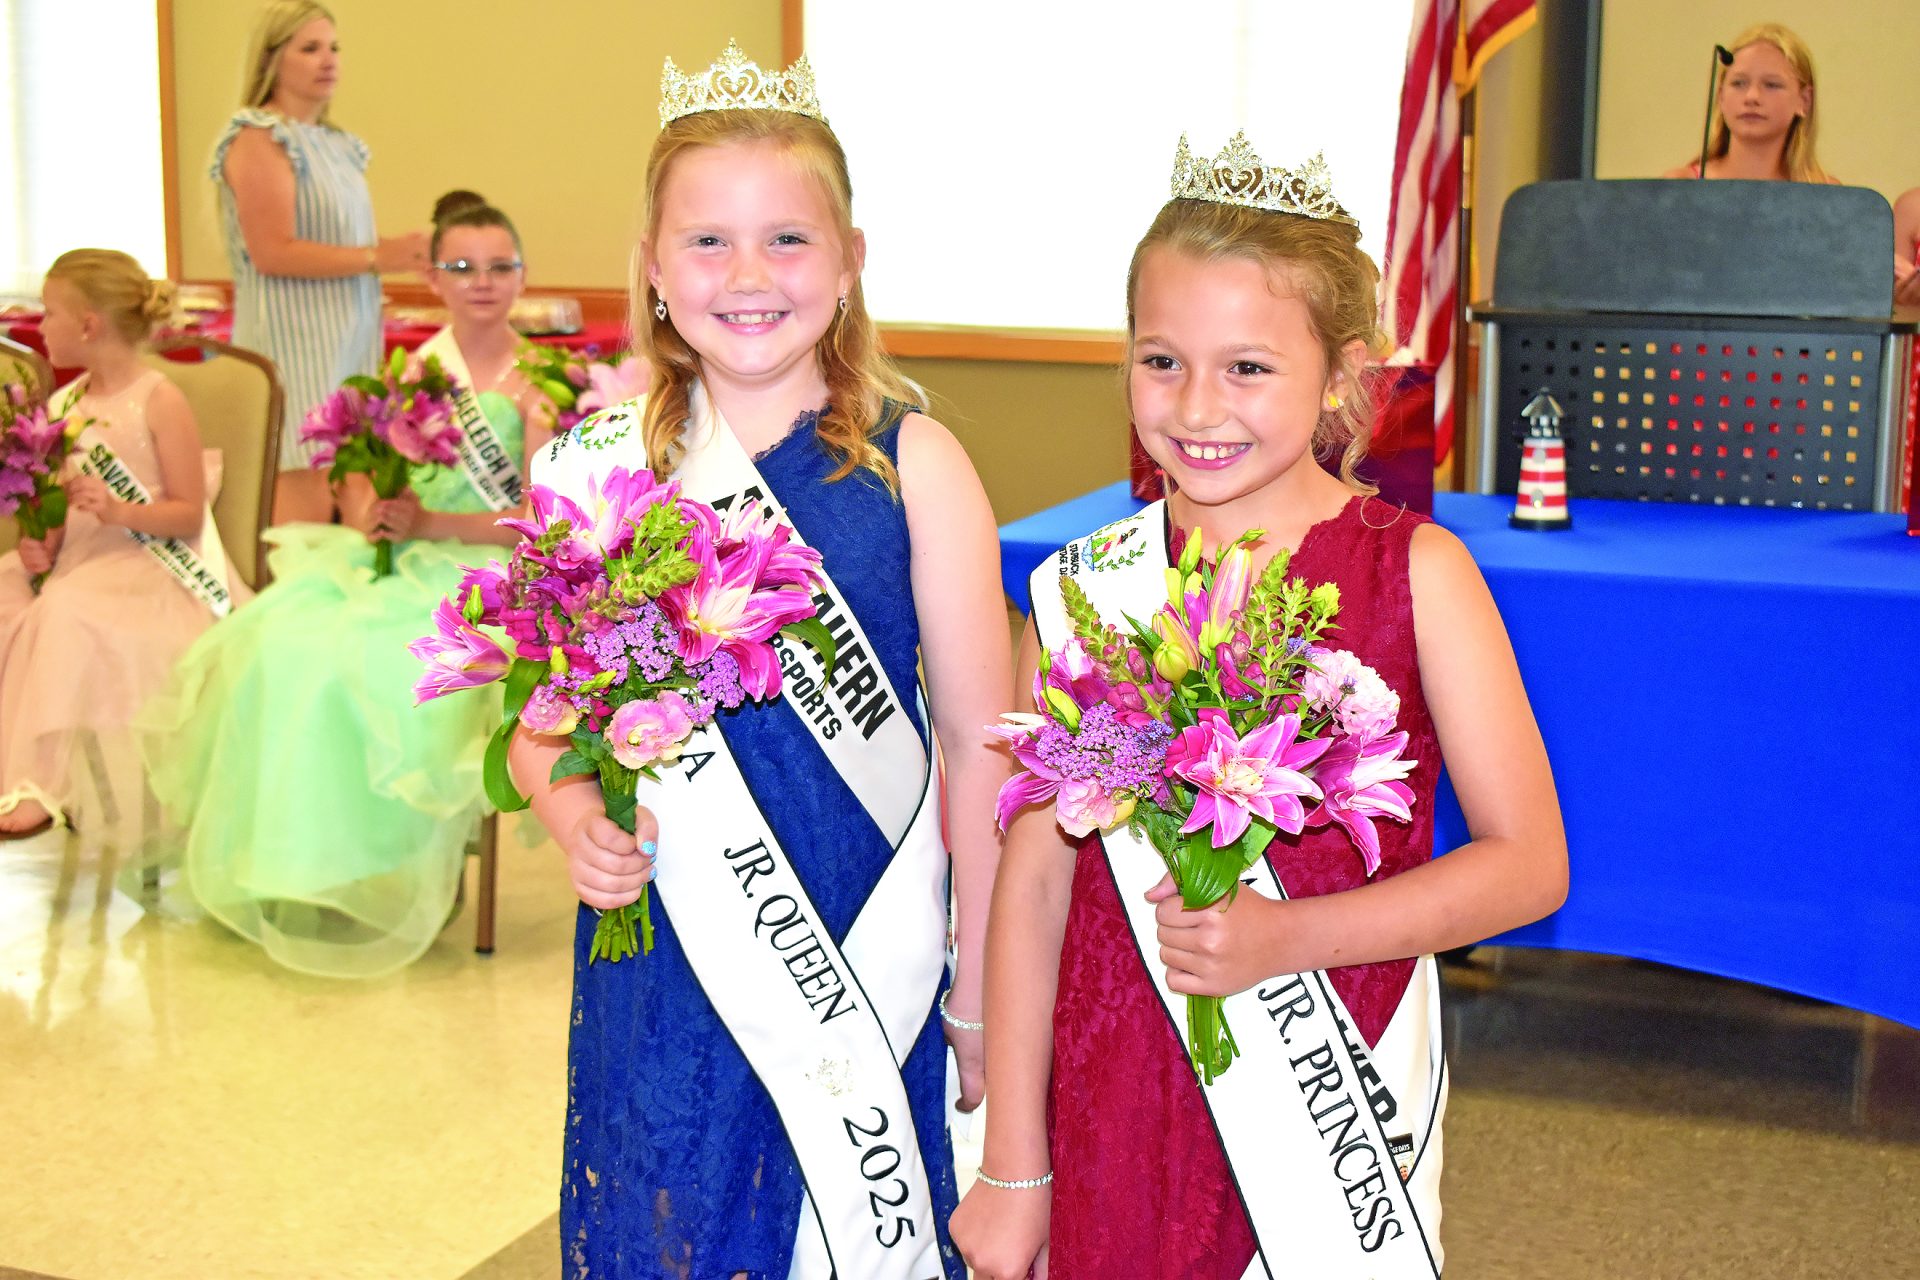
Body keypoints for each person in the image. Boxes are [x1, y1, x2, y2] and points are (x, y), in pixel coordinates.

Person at [949, 135, 1569, 1280]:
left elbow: (1530, 863)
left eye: (1247, 368)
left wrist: (1288, 937)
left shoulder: (1418, 575)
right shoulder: (1086, 589)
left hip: (1333, 1073)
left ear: (1340, 375)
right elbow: (1033, 883)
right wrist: (1012, 1161)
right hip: (1115, 1080)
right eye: (1160, 360)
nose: (1196, 406)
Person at [514, 41, 1007, 1280]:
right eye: (707, 242)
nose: (748, 276)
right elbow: (541, 723)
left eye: (788, 239)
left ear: (849, 264)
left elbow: (986, 759)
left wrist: (981, 991)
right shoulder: (591, 472)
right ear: (654, 273)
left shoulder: (917, 468)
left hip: (871, 950)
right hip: (675, 957)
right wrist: (569, 808)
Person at [135, 194, 552, 978]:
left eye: (500, 266)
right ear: (432, 276)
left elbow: (540, 519)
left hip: (492, 574)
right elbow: (361, 489)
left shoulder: (544, 382)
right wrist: (374, 510)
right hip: (400, 559)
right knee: (283, 648)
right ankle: (300, 866)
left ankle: (391, 862)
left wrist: (428, 523)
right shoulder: (412, 372)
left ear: (523, 275)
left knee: (394, 664)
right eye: (462, 267)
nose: (483, 282)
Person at [1, 250, 234, 841]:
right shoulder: (63, 406)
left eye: (49, 313)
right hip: (82, 560)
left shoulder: (159, 399)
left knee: (63, 612)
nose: (41, 324)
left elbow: (186, 513)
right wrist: (38, 543)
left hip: (152, 566)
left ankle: (39, 784)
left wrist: (118, 510)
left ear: (88, 325)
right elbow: (52, 507)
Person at [214, 0, 429, 526]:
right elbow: (274, 250)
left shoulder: (336, 144)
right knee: (303, 504)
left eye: (333, 48)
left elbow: (340, 241)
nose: (328, 59)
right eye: (309, 48)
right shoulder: (259, 137)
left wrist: (408, 252)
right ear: (272, 59)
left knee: (357, 496)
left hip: (347, 342)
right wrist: (382, 256)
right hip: (294, 344)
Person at [1662, 23, 1837, 183]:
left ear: (1804, 100)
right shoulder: (1680, 185)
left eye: (1771, 85)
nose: (1752, 97)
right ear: (1721, 96)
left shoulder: (1826, 192)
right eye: (1738, 83)